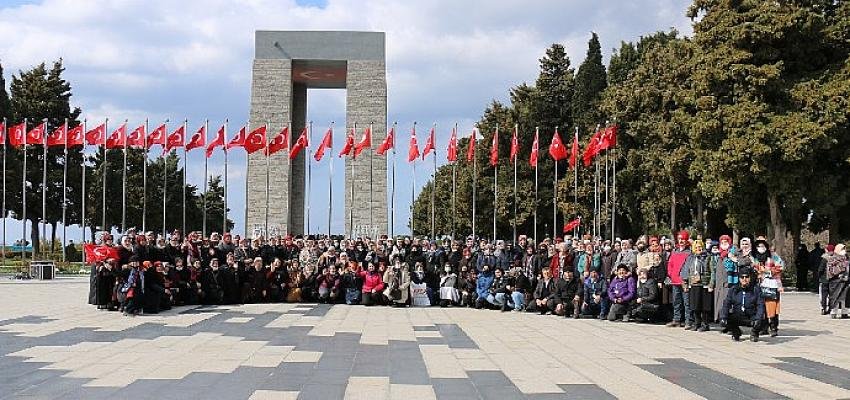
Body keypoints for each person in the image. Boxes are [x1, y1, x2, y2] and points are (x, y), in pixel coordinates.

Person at [720, 269, 764, 342]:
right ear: (739, 278)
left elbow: (761, 305)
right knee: (723, 316)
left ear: (750, 277)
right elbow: (726, 304)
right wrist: (723, 317)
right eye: (742, 277)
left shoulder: (756, 289)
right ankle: (736, 332)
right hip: (738, 315)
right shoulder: (733, 290)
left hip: (751, 316)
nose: (744, 279)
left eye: (746, 277)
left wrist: (758, 318)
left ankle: (754, 333)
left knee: (762, 318)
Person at [682, 240, 712, 331]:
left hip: (704, 284)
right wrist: (685, 283)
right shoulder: (690, 257)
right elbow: (686, 270)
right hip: (694, 284)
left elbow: (712, 271)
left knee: (705, 306)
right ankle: (697, 323)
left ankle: (705, 324)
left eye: (700, 247)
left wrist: (711, 283)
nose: (698, 249)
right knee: (695, 305)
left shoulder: (707, 257)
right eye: (696, 247)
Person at [666, 231, 691, 328]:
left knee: (686, 302)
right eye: (679, 239)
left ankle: (688, 321)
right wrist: (671, 274)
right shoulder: (674, 251)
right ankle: (676, 319)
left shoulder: (689, 252)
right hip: (675, 280)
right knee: (676, 301)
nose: (681, 241)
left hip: (684, 281)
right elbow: (670, 264)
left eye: (683, 239)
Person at [825, 243, 849, 319]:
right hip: (835, 281)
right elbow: (830, 270)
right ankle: (833, 312)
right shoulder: (832, 258)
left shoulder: (846, 258)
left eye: (844, 249)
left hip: (844, 280)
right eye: (842, 249)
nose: (844, 251)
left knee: (844, 297)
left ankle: (844, 312)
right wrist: (840, 270)